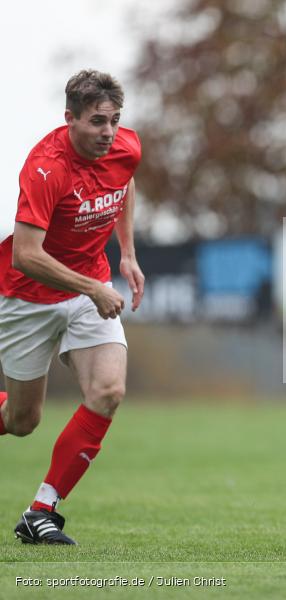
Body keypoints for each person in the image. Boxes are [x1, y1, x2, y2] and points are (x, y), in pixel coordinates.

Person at [0, 70, 143, 544]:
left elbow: (123, 185)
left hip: (88, 288)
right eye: (97, 121)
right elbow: (27, 255)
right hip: (27, 296)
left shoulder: (124, 146)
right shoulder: (46, 167)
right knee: (22, 422)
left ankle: (42, 509)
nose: (108, 132)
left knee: (108, 390)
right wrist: (95, 288)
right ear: (70, 119)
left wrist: (127, 255)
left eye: (115, 121)